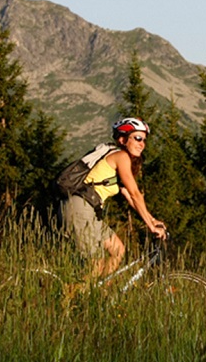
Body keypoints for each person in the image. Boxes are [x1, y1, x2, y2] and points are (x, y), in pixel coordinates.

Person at [61, 117, 167, 284]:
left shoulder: (116, 157)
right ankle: (71, 301)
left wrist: (152, 220)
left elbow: (128, 195)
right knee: (95, 263)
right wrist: (151, 226)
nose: (142, 144)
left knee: (117, 250)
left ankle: (98, 293)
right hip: (80, 208)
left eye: (144, 140)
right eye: (137, 138)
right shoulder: (120, 156)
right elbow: (134, 193)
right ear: (122, 139)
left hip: (90, 211)